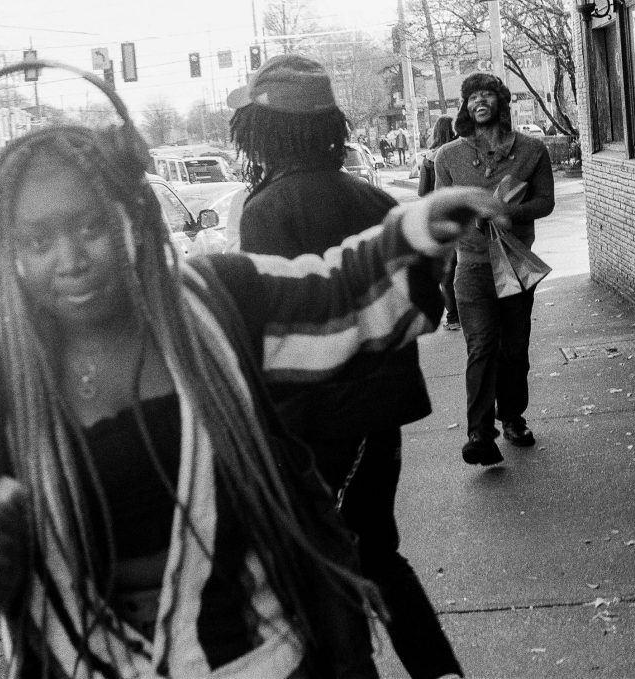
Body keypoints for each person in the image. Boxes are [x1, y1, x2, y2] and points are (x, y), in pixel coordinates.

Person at [0, 61, 506, 679]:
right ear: (10, 251)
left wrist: (417, 227)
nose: (69, 258)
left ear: (131, 216)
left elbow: (334, 295)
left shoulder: (218, 301)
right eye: (38, 240)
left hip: (274, 660)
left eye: (90, 227)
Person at [228, 53, 463, 679]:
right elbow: (426, 308)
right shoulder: (373, 198)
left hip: (310, 424)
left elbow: (278, 333)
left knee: (310, 563)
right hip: (378, 414)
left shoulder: (266, 209)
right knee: (377, 553)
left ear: (262, 131)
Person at [433, 72, 555, 466]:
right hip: (472, 267)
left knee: (514, 349)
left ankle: (513, 418)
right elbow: (443, 210)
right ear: (465, 107)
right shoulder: (448, 156)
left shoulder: (532, 150)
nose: (479, 102)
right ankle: (479, 433)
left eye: (487, 95)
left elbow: (545, 202)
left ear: (501, 104)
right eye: (472, 97)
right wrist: (471, 217)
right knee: (482, 346)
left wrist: (507, 212)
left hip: (516, 265)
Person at [418, 115, 460, 331]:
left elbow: (422, 193)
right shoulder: (459, 152)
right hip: (463, 216)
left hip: (439, 221)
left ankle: (453, 317)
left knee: (448, 271)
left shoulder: (429, 159)